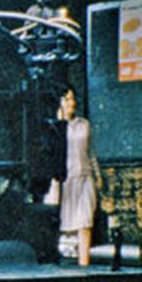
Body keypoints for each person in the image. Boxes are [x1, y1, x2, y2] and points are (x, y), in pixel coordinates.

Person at [55, 84, 101, 266]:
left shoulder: (84, 125)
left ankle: (84, 264)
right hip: (63, 180)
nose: (71, 102)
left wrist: (97, 176)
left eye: (73, 98)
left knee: (85, 221)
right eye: (67, 99)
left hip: (84, 177)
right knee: (61, 222)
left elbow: (91, 152)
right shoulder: (55, 126)